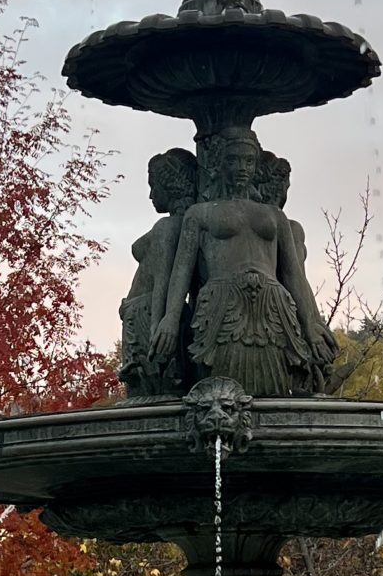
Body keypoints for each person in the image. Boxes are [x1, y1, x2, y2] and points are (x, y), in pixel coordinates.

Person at [152, 132, 338, 397]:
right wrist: (170, 318)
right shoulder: (199, 214)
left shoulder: (275, 216)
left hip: (273, 309)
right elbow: (181, 271)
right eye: (234, 160)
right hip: (221, 309)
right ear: (219, 164)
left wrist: (312, 323)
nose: (242, 168)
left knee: (273, 390)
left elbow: (294, 274)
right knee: (219, 391)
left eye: (248, 161)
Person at [117, 149, 199, 398]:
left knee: (150, 396)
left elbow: (163, 278)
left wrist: (157, 325)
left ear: (170, 185)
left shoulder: (167, 227)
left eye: (155, 186)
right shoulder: (184, 224)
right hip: (147, 313)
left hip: (148, 316)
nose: (152, 195)